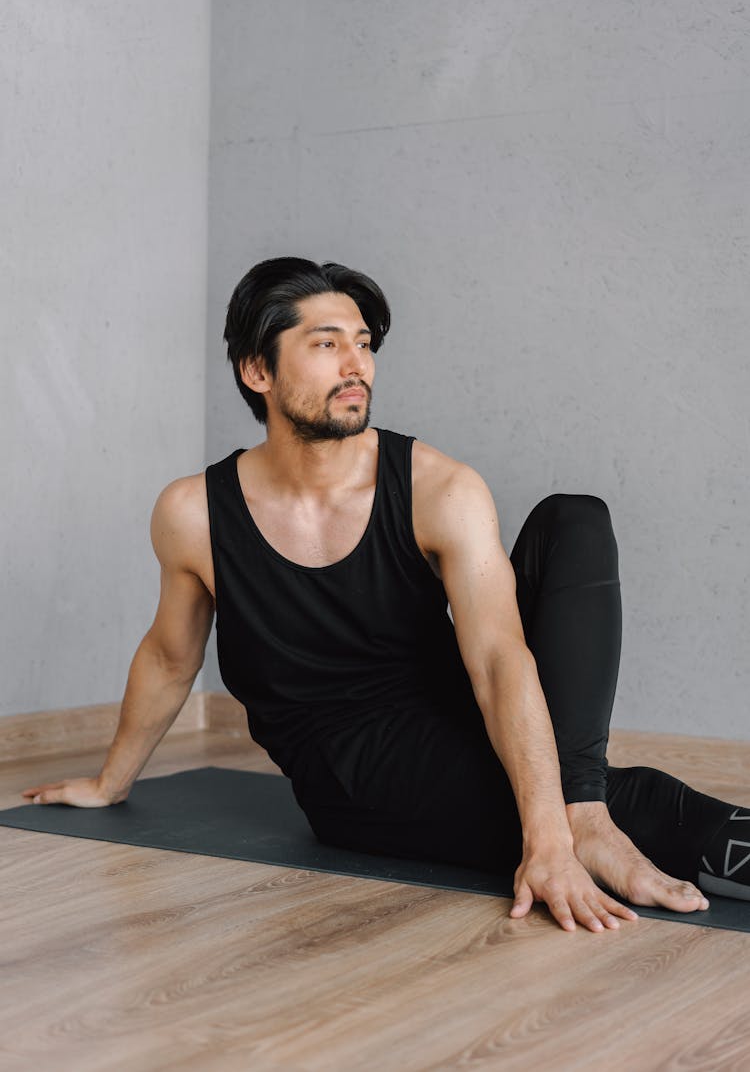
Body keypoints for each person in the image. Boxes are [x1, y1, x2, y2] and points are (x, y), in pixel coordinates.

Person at [23, 257, 750, 934]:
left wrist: (566, 816)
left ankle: (585, 804)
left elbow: (499, 659)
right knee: (642, 807)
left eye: (364, 344)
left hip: (460, 713)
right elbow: (169, 656)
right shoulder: (195, 514)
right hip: (356, 780)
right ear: (256, 370)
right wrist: (109, 781)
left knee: (576, 520)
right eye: (326, 343)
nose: (356, 365)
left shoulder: (437, 488)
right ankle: (587, 811)